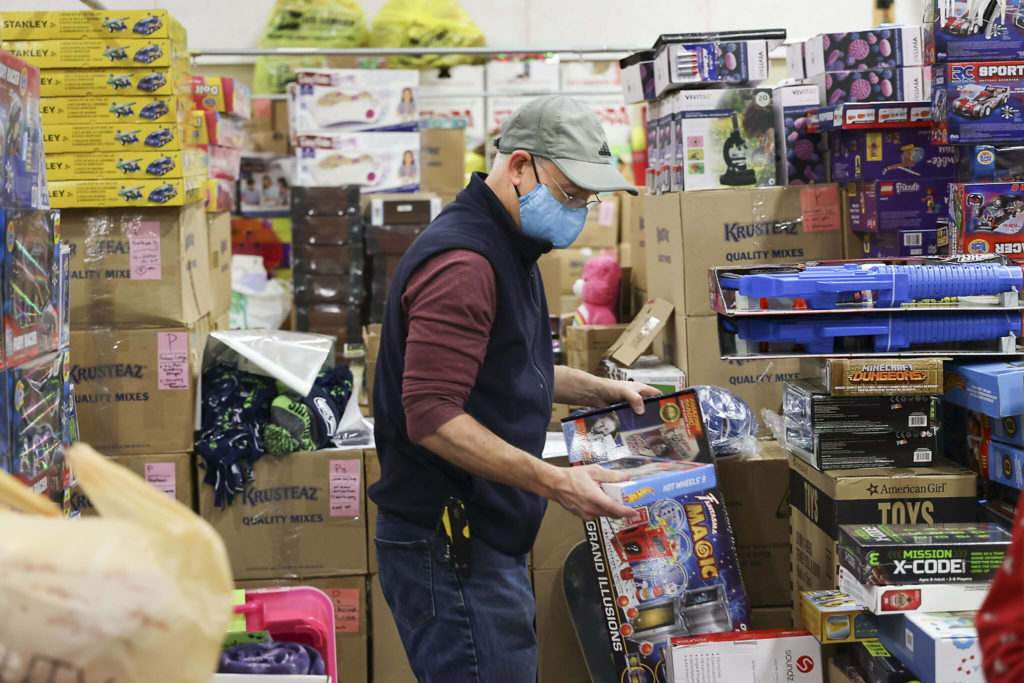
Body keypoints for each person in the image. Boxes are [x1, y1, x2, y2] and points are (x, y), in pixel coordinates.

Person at [369, 94, 656, 683]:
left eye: (587, 198)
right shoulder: (466, 264)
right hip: (452, 547)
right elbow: (432, 414)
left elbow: (503, 367)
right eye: (571, 194)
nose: (577, 210)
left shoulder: (511, 244)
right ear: (520, 166)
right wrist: (557, 483)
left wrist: (595, 389)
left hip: (480, 535)